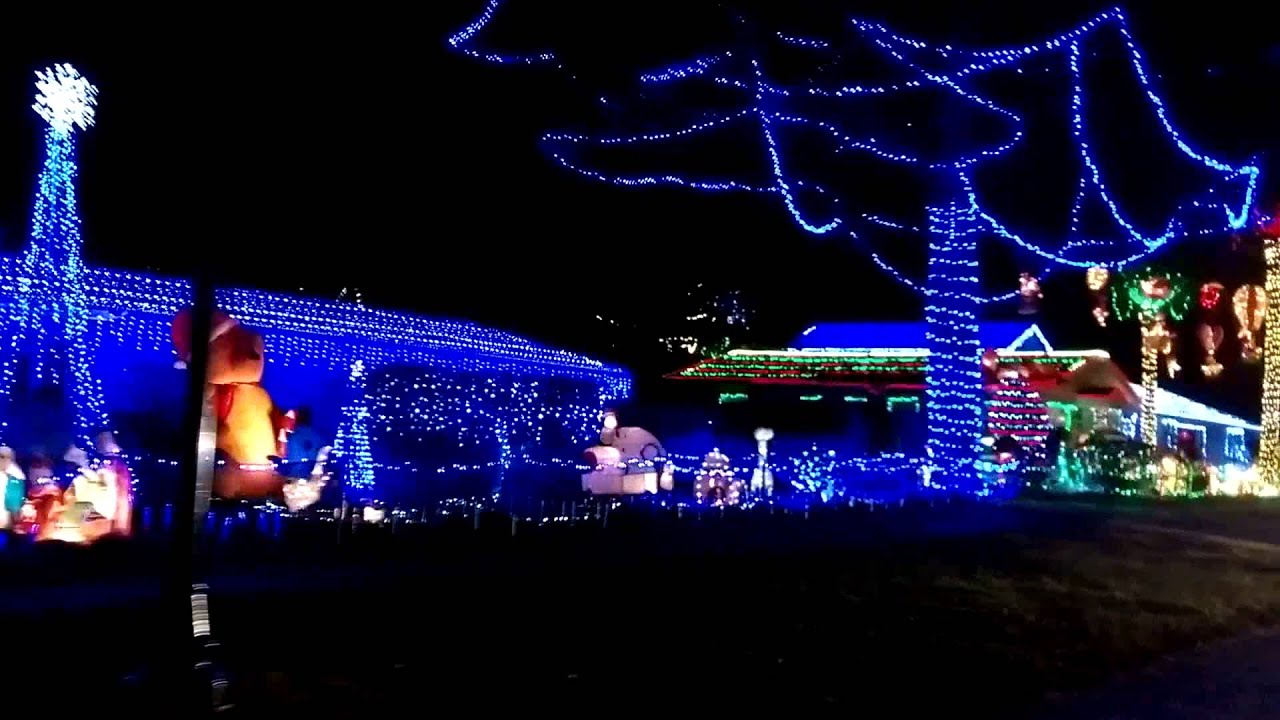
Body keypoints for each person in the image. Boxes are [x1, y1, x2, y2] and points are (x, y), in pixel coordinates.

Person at [93, 431, 133, 536]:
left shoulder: (118, 466)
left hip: (114, 504)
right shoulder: (102, 465)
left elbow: (122, 492)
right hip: (106, 507)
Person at [1, 446, 25, 530]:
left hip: (5, 521)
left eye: (3, 457)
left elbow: (14, 503)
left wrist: (15, 518)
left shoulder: (16, 477)